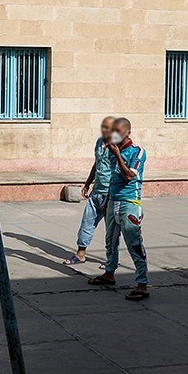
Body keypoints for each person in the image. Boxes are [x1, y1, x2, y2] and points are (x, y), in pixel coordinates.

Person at [88, 117, 149, 300]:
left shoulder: (137, 151)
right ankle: (109, 272)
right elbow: (110, 176)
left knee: (134, 243)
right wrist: (107, 198)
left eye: (119, 132)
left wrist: (117, 155)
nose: (114, 135)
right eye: (113, 131)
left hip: (130, 203)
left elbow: (129, 176)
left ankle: (142, 284)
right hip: (113, 201)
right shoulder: (112, 151)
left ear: (128, 133)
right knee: (110, 241)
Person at [64, 116, 114, 265]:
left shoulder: (119, 146)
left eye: (108, 127)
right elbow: (96, 163)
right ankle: (80, 254)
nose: (105, 130)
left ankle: (111, 259)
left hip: (110, 193)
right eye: (103, 127)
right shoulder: (99, 142)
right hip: (96, 191)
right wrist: (87, 183)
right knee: (87, 221)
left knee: (110, 229)